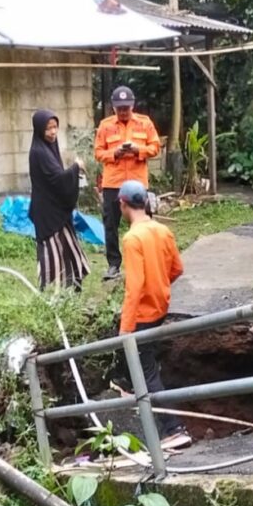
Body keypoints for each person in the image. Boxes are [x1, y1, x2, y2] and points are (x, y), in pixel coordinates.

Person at [117, 180, 191, 450]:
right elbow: (177, 268)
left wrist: (126, 328)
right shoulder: (162, 230)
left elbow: (134, 287)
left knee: (148, 373)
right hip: (160, 309)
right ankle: (128, 386)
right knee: (144, 365)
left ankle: (174, 429)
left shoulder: (132, 239)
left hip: (143, 315)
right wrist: (159, 284)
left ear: (123, 204)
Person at [94, 86, 161, 280]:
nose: (123, 111)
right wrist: (114, 153)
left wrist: (138, 150)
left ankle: (147, 261)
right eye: (119, 108)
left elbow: (155, 147)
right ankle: (113, 265)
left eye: (126, 108)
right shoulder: (105, 125)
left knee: (143, 223)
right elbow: (98, 152)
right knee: (110, 224)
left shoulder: (144, 123)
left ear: (132, 105)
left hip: (137, 182)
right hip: (113, 183)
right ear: (113, 107)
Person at [28, 110, 91, 291]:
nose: (53, 132)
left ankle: (73, 284)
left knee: (68, 244)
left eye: (55, 127)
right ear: (39, 129)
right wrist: (76, 167)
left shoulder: (49, 148)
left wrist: (72, 171)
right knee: (53, 249)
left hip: (56, 209)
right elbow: (57, 179)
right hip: (48, 212)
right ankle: (52, 288)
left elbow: (57, 178)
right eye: (48, 128)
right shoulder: (39, 152)